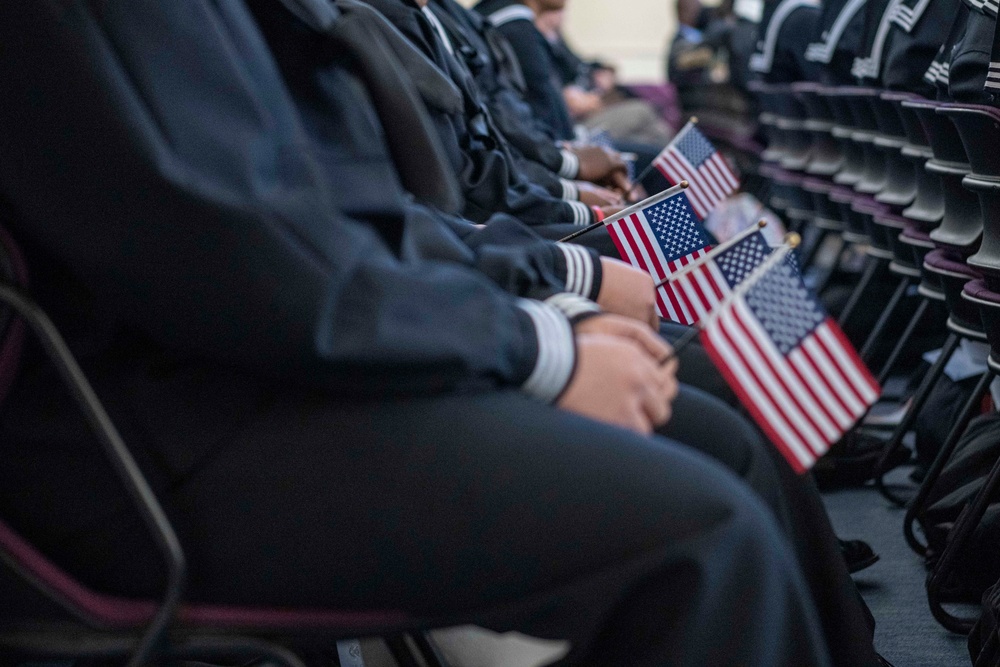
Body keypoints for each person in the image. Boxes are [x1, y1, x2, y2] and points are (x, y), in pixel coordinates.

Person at [0, 1, 837, 666]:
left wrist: (547, 297)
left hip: (257, 348)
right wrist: (541, 333)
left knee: (715, 406)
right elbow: (258, 249)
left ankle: (839, 592)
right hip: (148, 431)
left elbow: (344, 213)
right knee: (705, 513)